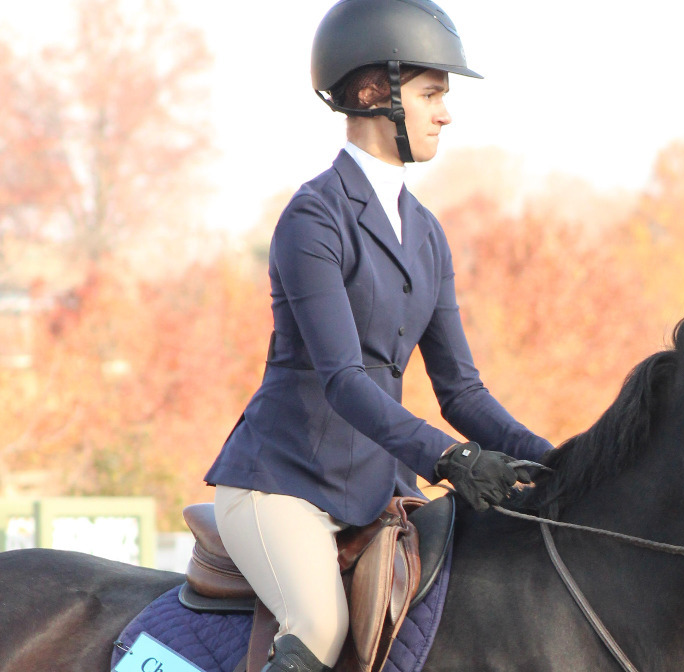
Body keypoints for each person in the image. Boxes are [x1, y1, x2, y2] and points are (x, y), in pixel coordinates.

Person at [202, 1, 553, 670]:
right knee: (320, 625)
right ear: (372, 93)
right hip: (283, 483)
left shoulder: (426, 232)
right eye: (430, 94)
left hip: (376, 487)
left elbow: (462, 391)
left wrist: (559, 459)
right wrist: (450, 459)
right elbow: (343, 380)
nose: (445, 114)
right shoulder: (313, 218)